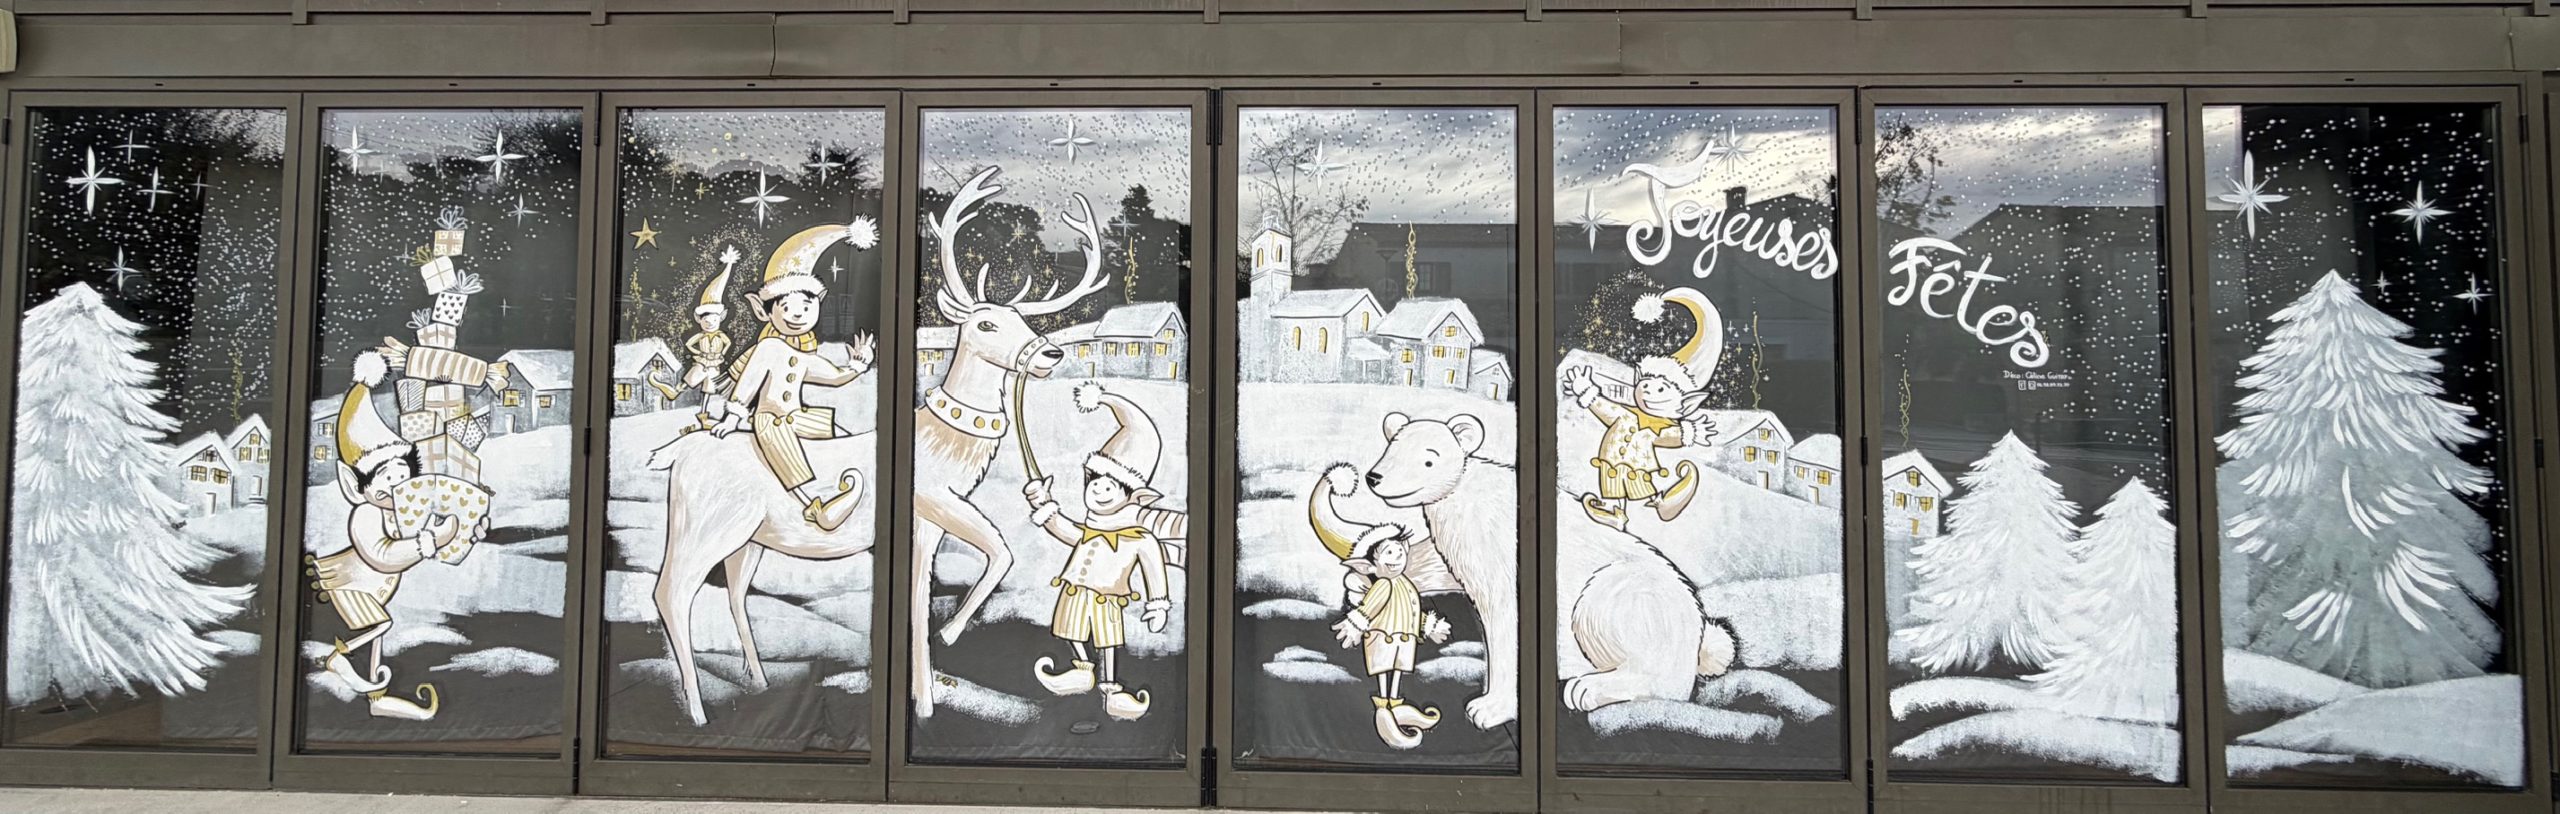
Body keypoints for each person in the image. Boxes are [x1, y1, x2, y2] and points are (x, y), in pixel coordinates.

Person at [1022, 383, 1175, 721]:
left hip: (1107, 597)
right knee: (1071, 628)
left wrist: (1158, 604)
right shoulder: (1090, 530)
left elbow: (1153, 568)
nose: (1099, 491)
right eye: (1095, 484)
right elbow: (1064, 529)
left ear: (1133, 496)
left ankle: (1111, 688)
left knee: (1107, 639)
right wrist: (1042, 502)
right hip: (1077, 591)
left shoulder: (1139, 538)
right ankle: (1081, 667)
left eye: (1109, 486)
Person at [712, 224, 876, 532]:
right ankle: (813, 504)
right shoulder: (768, 347)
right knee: (784, 451)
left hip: (797, 416)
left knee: (839, 432)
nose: (797, 314)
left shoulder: (803, 355)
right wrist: (732, 417)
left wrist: (857, 366)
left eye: (806, 306)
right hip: (771, 420)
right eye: (787, 307)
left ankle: (853, 489)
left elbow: (831, 375)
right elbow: (747, 384)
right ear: (767, 312)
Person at [1562, 286, 1722, 531]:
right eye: (1645, 384)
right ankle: (1615, 512)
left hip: (1638, 465)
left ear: (1685, 404)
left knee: (1639, 486)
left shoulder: (1660, 427)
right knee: (1613, 485)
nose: (1647, 392)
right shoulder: (1625, 414)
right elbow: (1604, 408)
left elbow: (1669, 436)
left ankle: (1662, 502)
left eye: (1661, 389)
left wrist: (1688, 432)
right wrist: (1587, 392)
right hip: (1612, 462)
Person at [649, 245, 738, 432]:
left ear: (720, 319)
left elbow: (728, 343)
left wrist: (722, 353)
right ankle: (674, 392)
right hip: (703, 363)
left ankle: (703, 414)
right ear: (700, 320)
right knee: (691, 379)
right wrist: (698, 353)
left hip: (714, 365)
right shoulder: (701, 336)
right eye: (706, 320)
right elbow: (690, 343)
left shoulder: (721, 335)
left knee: (708, 389)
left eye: (713, 320)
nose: (710, 323)